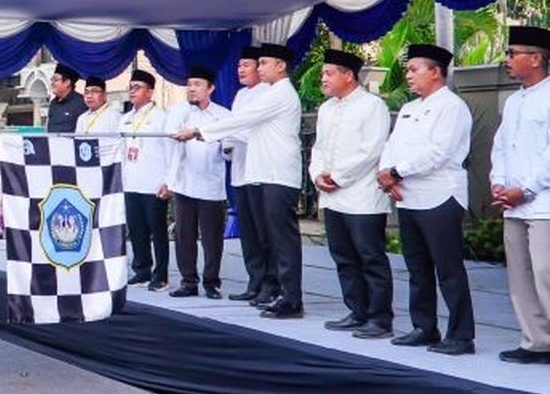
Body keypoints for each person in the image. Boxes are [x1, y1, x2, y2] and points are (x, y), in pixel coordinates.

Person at [176, 43, 304, 319]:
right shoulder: (263, 93)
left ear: (280, 66)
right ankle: (277, 291)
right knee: (262, 235)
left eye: (263, 64)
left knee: (281, 240)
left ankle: (290, 297)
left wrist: (199, 130)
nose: (258, 68)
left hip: (277, 174)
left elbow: (243, 121)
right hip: (262, 172)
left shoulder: (279, 93)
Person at [377, 44, 475, 355]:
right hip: (409, 197)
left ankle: (461, 336)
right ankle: (424, 327)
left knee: (448, 269)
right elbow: (391, 145)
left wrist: (396, 172)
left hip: (440, 196)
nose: (408, 75)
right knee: (417, 268)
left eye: (414, 69)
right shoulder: (408, 108)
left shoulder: (452, 106)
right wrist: (386, 173)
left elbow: (439, 153)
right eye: (408, 69)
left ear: (436, 72)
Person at [310, 50, 394, 339]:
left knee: (370, 257)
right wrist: (318, 174)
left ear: (348, 75)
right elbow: (318, 148)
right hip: (333, 195)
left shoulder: (372, 106)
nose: (324, 79)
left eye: (329, 73)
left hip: (362, 195)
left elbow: (372, 150)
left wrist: (339, 176)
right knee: (343, 256)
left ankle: (380, 318)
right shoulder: (326, 109)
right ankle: (357, 311)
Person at [491, 25, 550, 365]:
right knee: (520, 276)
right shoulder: (513, 100)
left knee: (545, 274)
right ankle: (536, 341)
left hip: (542, 204)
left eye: (513, 54)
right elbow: (500, 147)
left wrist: (525, 189)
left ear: (537, 58)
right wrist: (499, 184)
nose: (507, 60)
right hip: (513, 205)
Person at [165, 66, 230, 299]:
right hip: (184, 183)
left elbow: (230, 149)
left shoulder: (223, 115)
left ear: (210, 88)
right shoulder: (179, 112)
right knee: (184, 235)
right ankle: (188, 281)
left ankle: (211, 282)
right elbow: (169, 146)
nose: (191, 89)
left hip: (211, 184)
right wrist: (168, 181)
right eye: (189, 84)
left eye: (197, 84)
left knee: (212, 238)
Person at [222, 47, 274, 303]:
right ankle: (254, 281)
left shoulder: (268, 94)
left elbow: (251, 130)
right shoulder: (241, 94)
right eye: (239, 65)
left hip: (258, 172)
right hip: (239, 169)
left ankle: (270, 283)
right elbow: (233, 127)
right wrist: (226, 143)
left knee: (263, 231)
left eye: (247, 65)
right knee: (249, 233)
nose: (241, 70)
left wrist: (228, 134)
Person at [120, 70, 172, 291]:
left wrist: (169, 182)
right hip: (131, 181)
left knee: (157, 231)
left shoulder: (162, 117)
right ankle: (141, 270)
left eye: (137, 87)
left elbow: (171, 151)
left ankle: (161, 275)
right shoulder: (124, 119)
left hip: (154, 183)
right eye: (130, 87)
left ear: (150, 92)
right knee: (136, 230)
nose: (132, 91)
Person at [46, 63, 88, 133]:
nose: (52, 83)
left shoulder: (81, 103)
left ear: (67, 82)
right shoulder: (53, 103)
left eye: (56, 80)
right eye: (51, 79)